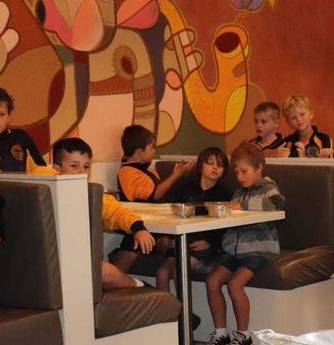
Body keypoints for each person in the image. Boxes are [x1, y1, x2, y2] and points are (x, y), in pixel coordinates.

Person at [199, 143, 285, 345]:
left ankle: (244, 335)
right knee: (212, 281)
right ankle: (221, 333)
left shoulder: (268, 187)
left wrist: (241, 207)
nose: (240, 177)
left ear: (259, 167)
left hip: (260, 250)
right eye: (237, 172)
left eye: (244, 171)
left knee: (235, 284)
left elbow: (277, 204)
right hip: (236, 251)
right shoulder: (237, 193)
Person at [52, 138, 155, 290]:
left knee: (103, 271)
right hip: (54, 263)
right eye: (74, 166)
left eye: (87, 166)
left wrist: (138, 228)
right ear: (57, 168)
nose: (82, 172)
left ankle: (141, 287)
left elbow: (117, 212)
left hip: (81, 264)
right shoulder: (46, 192)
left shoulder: (92, 194)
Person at [156, 147, 233, 290]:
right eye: (210, 163)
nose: (215, 167)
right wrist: (170, 239)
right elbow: (174, 213)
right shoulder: (185, 188)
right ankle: (165, 305)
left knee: (179, 269)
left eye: (220, 165)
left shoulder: (225, 195)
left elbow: (226, 227)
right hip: (182, 243)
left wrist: (209, 242)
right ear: (201, 165)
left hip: (206, 248)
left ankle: (183, 305)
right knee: (162, 273)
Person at [116, 124, 194, 202]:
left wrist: (178, 174)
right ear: (140, 152)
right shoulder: (127, 172)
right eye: (151, 148)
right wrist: (175, 175)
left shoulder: (148, 170)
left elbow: (162, 193)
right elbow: (155, 194)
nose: (154, 151)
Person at [0, 87, 49, 173]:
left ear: (9, 117)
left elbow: (41, 166)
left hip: (21, 182)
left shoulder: (20, 136)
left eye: (1, 114)